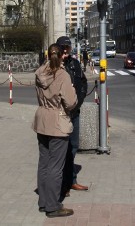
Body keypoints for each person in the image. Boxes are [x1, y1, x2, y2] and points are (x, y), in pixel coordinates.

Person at [32, 43, 77, 218]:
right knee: (55, 167)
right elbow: (71, 102)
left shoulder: (39, 72)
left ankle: (43, 202)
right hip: (58, 121)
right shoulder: (62, 75)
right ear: (62, 55)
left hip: (41, 119)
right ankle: (52, 206)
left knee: (44, 163)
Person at [56, 36, 89, 196]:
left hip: (74, 112)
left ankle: (71, 181)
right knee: (61, 149)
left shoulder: (75, 64)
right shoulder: (54, 65)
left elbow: (83, 83)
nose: (65, 51)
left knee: (73, 147)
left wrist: (79, 101)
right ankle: (63, 183)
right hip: (61, 114)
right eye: (62, 48)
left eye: (67, 48)